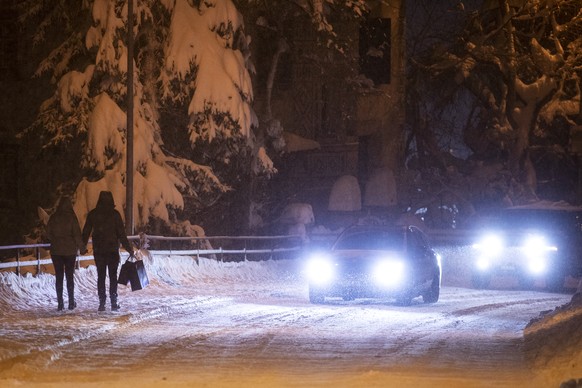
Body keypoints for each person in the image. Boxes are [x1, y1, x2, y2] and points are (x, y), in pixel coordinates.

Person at [82, 191, 134, 312]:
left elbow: (86, 232)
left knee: (101, 275)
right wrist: (128, 248)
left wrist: (82, 246)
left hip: (99, 250)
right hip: (112, 250)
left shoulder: (93, 214)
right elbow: (121, 234)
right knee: (112, 276)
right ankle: (114, 301)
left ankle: (102, 302)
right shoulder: (115, 215)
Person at [46, 197, 86, 311]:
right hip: (70, 252)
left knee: (59, 276)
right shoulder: (72, 218)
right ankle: (71, 302)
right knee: (69, 277)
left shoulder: (54, 217)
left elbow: (48, 233)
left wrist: (56, 240)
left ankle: (60, 303)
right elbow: (77, 235)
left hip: (56, 251)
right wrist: (82, 248)